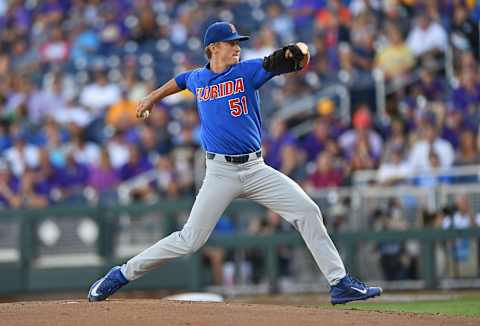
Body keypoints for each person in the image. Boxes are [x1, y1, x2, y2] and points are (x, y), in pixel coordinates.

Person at [87, 21, 382, 305]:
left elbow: (282, 61)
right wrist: (152, 97)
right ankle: (120, 275)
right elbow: (180, 81)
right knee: (190, 240)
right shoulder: (198, 78)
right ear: (213, 48)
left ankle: (339, 283)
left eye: (238, 43)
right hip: (220, 173)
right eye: (231, 43)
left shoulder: (247, 71)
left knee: (307, 210)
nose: (238, 48)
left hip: (256, 169)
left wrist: (298, 51)